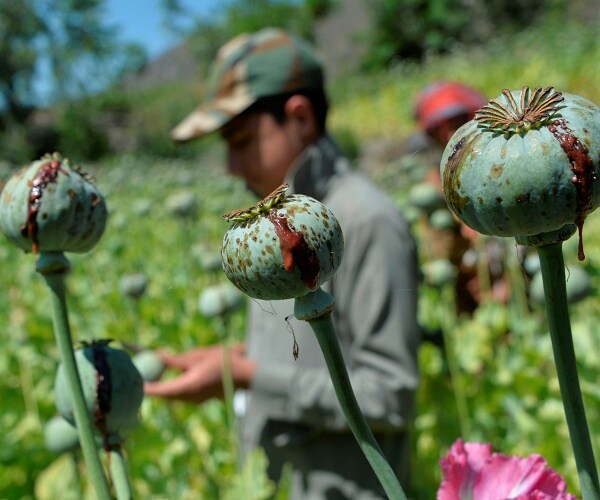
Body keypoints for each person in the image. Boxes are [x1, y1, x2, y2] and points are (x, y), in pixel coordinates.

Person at [144, 27, 420, 499]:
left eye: (242, 140)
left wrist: (253, 378)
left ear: (300, 117)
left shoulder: (365, 220)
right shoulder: (274, 227)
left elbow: (391, 396)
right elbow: (301, 354)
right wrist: (230, 364)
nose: (230, 165)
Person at [412, 81, 509, 314]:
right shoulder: (433, 187)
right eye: (440, 131)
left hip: (510, 279)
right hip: (471, 295)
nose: (449, 136)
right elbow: (439, 257)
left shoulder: (503, 168)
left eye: (456, 125)